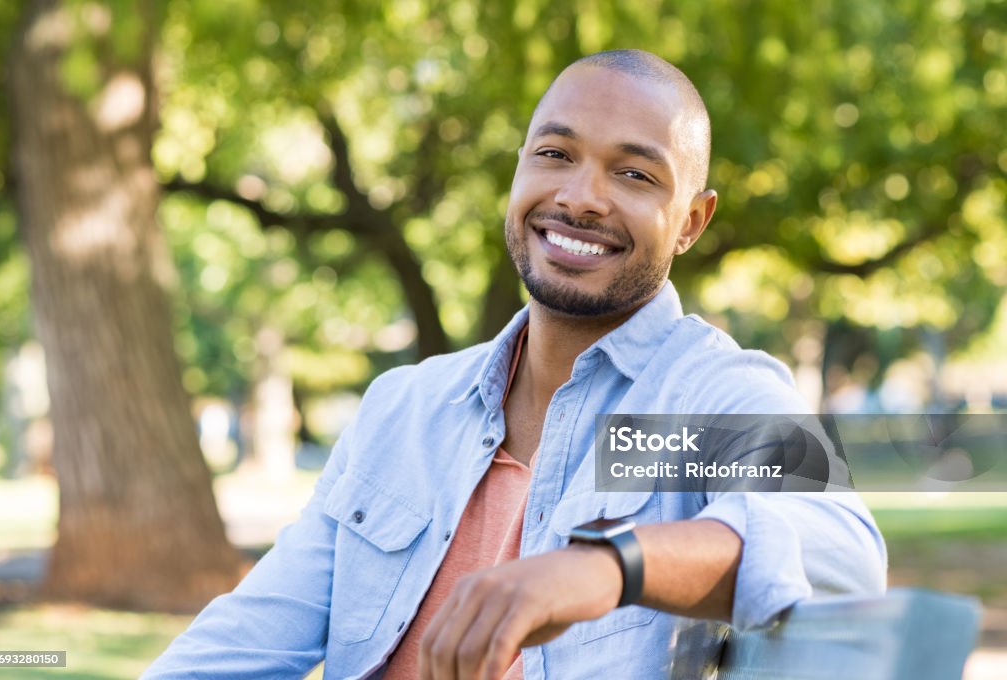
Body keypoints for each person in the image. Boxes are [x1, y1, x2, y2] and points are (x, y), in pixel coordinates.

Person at [143, 49, 886, 680]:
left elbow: (841, 554)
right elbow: (240, 645)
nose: (580, 198)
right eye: (555, 155)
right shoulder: (405, 407)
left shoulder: (710, 396)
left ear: (691, 221)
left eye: (634, 175)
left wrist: (605, 567)